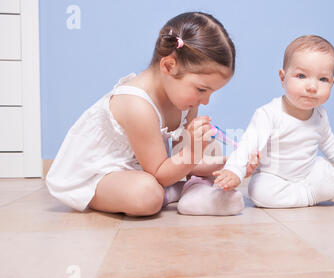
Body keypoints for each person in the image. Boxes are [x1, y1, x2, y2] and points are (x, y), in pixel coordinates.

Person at [46, 12, 257, 217]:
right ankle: (180, 192)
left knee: (211, 149)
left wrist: (230, 163)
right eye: (202, 89)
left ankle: (186, 190)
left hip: (148, 171)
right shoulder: (136, 105)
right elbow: (161, 173)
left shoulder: (186, 100)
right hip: (99, 175)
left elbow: (183, 162)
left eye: (211, 92)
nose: (206, 101)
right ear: (168, 66)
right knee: (147, 195)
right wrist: (192, 153)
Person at [213, 35, 334, 211]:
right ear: (283, 78)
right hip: (275, 176)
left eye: (323, 79)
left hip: (309, 171)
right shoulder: (268, 113)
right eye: (301, 76)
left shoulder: (320, 114)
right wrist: (234, 170)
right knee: (260, 192)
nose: (312, 87)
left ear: (332, 83)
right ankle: (310, 194)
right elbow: (248, 145)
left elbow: (327, 139)